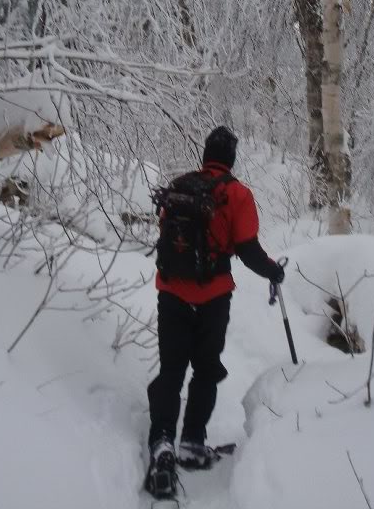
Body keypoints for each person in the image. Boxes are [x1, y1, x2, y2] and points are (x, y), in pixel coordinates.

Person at [145, 126, 285, 498]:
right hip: (213, 298)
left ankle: (162, 442)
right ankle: (192, 442)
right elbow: (247, 249)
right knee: (206, 369)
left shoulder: (180, 186)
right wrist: (273, 271)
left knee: (171, 369)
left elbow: (166, 235)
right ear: (231, 159)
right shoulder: (237, 194)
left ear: (205, 154)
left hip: (171, 293)